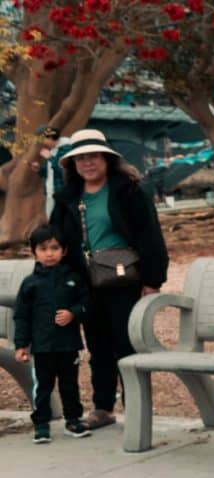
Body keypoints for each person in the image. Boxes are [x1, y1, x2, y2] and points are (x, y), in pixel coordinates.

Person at [49, 129, 169, 430]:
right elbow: (57, 241)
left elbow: (150, 236)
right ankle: (102, 408)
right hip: (86, 283)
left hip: (124, 280)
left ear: (106, 159)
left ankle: (138, 409)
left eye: (93, 156)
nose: (87, 163)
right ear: (72, 164)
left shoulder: (128, 191)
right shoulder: (66, 199)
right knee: (98, 348)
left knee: (127, 346)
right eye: (80, 158)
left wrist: (153, 281)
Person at [14, 224, 92, 443]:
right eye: (43, 248)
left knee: (70, 385)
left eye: (55, 248)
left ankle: (73, 421)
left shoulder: (74, 279)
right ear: (34, 252)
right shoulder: (30, 284)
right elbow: (22, 316)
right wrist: (21, 345)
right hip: (42, 347)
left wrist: (73, 313)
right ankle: (41, 425)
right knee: (43, 387)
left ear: (64, 251)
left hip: (68, 345)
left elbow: (87, 304)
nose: (49, 253)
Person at [31, 125, 71, 217]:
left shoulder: (66, 148)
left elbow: (64, 172)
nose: (41, 143)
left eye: (42, 139)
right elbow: (51, 173)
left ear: (50, 137)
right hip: (51, 193)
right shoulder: (52, 150)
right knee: (51, 222)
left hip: (62, 194)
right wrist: (39, 170)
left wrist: (50, 158)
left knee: (61, 222)